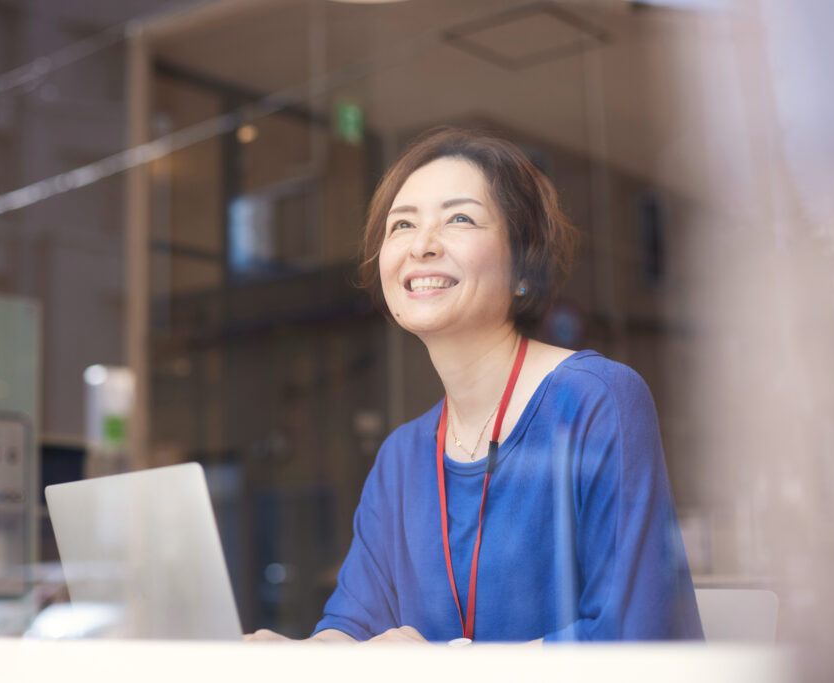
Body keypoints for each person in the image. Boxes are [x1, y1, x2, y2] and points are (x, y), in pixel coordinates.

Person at [247, 127, 703, 644]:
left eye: (459, 218)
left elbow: (629, 638)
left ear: (524, 261)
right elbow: (353, 628)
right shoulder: (401, 457)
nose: (421, 245)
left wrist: (449, 668)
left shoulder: (596, 399)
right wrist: (293, 655)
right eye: (402, 225)